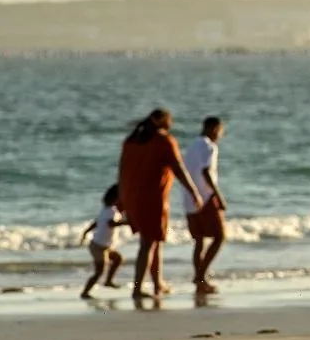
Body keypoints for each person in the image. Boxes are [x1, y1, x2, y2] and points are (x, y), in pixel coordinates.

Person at [118, 108, 201, 299]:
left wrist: (122, 198)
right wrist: (194, 191)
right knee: (148, 243)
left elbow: (121, 171)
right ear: (163, 121)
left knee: (153, 241)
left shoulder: (132, 141)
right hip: (152, 198)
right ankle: (137, 288)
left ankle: (158, 283)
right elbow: (179, 168)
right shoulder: (164, 141)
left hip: (132, 196)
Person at [183, 116, 228, 294]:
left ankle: (200, 280)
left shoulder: (192, 146)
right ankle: (201, 276)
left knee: (199, 241)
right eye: (220, 132)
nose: (220, 136)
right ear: (214, 129)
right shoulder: (210, 146)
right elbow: (206, 172)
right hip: (206, 197)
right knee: (220, 237)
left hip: (190, 198)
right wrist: (219, 196)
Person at [79, 184, 126, 298]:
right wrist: (127, 222)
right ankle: (85, 292)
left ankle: (108, 281)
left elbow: (97, 222)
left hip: (103, 246)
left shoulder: (106, 210)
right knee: (99, 271)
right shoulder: (111, 211)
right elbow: (111, 223)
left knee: (118, 259)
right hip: (98, 247)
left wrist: (86, 232)